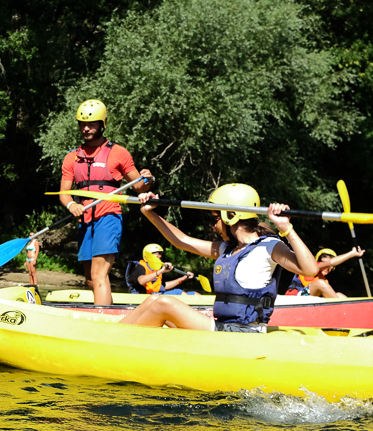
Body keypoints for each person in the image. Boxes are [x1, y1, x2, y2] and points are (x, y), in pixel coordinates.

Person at [119, 183, 319, 332]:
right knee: (152, 301)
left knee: (164, 303)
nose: (214, 226)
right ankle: (112, 336)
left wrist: (286, 228)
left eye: (215, 219)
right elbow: (181, 241)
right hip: (223, 326)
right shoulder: (227, 249)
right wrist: (149, 213)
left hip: (244, 332)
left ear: (230, 216)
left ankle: (115, 340)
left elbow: (310, 270)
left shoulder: (269, 247)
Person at [58, 99, 153, 306]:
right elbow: (64, 194)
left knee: (99, 273)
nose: (86, 128)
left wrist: (148, 179)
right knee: (91, 279)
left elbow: (139, 186)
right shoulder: (72, 158)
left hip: (108, 217)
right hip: (85, 220)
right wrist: (71, 205)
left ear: (102, 124)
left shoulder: (118, 152)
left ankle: (101, 322)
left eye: (91, 124)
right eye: (82, 124)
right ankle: (108, 314)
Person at [285, 247, 365, 298]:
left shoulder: (325, 281)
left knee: (340, 296)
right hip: (293, 299)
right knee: (321, 283)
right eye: (324, 265)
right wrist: (352, 254)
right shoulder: (313, 267)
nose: (326, 268)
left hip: (307, 300)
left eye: (329, 267)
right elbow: (331, 262)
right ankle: (341, 312)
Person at [125, 243, 195, 295]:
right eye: (156, 254)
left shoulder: (156, 269)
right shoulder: (139, 268)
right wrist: (161, 271)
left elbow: (163, 286)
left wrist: (183, 278)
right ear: (147, 256)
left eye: (160, 254)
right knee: (179, 292)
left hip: (156, 296)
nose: (159, 256)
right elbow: (141, 281)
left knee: (194, 294)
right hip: (143, 299)